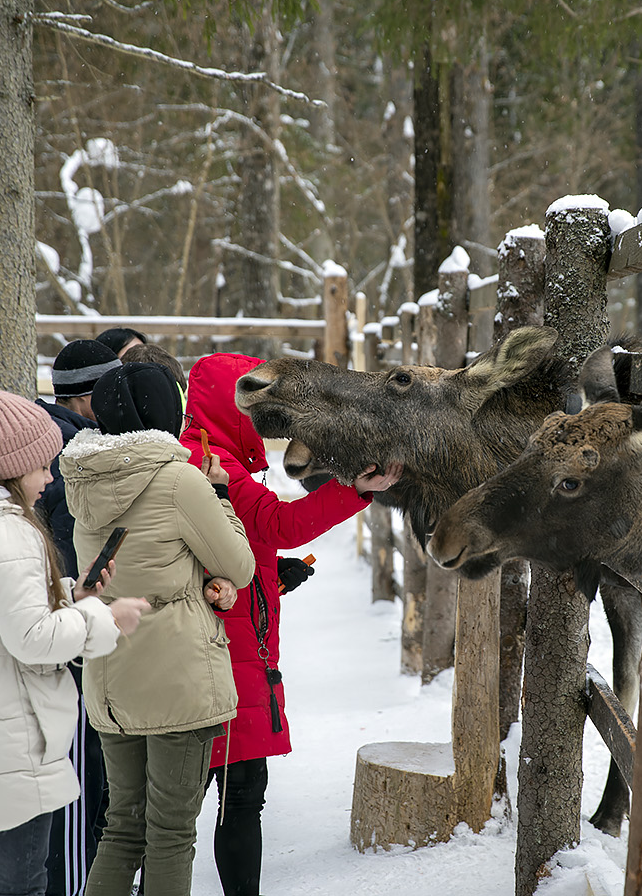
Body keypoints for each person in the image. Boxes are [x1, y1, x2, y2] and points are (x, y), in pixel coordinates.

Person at [0, 390, 149, 896]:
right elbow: (34, 639)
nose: (49, 478)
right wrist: (103, 616)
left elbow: (0, 621)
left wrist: (72, 596)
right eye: (42, 466)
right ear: (13, 469)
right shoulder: (6, 534)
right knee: (21, 886)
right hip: (13, 736)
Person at [178, 352, 400, 896]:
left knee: (196, 796)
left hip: (229, 639)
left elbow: (231, 544)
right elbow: (279, 523)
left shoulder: (211, 459)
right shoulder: (215, 465)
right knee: (237, 793)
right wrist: (357, 487)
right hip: (226, 654)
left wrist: (267, 576)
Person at [59, 362, 256, 896]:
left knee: (122, 827)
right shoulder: (179, 479)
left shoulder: (84, 478)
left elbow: (138, 562)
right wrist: (220, 497)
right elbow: (238, 565)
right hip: (177, 675)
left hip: (112, 668)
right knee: (170, 833)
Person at [35, 339, 122, 896]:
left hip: (80, 634)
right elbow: (79, 556)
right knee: (82, 783)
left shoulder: (74, 444)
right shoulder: (70, 459)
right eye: (113, 392)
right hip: (74, 643)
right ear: (90, 398)